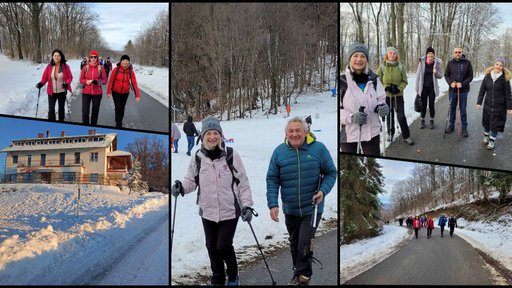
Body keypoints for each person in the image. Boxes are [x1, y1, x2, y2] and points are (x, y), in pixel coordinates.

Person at [171, 116, 253, 286]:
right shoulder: (198, 157)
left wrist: (247, 206)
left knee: (223, 245)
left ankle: (233, 276)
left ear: (221, 135)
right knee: (211, 245)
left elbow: (243, 183)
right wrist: (182, 187)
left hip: (230, 209)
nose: (212, 137)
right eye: (209, 133)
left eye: (216, 133)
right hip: (207, 210)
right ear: (202, 135)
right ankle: (218, 278)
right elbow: (191, 180)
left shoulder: (231, 155)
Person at [266, 117, 337, 286]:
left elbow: (331, 173)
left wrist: (322, 191)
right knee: (294, 243)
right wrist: (273, 204)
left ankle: (304, 276)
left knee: (304, 243)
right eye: (291, 131)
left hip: (312, 208)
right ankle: (297, 272)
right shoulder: (279, 152)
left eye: (298, 130)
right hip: (290, 208)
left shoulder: (318, 149)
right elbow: (272, 179)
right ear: (286, 133)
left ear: (305, 132)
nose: (294, 134)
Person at [340, 43, 389, 156]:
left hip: (372, 132)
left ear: (366, 60)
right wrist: (351, 117)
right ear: (349, 59)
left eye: (363, 56)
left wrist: (382, 107)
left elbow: (381, 99)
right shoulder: (342, 81)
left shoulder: (374, 79)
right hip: (349, 135)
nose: (359, 59)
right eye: (355, 56)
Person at [377, 47, 414, 145]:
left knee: (401, 116)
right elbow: (377, 80)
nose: (392, 55)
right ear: (387, 55)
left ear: (396, 55)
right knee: (389, 115)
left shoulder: (401, 67)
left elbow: (404, 81)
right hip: (387, 96)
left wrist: (398, 88)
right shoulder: (382, 67)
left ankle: (406, 136)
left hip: (398, 95)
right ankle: (390, 133)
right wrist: (385, 87)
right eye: (390, 53)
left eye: (394, 53)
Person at [477, 57, 512, 150]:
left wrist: (509, 107)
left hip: (500, 106)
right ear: (493, 65)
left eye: (501, 65)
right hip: (488, 104)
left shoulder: (505, 79)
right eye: (497, 64)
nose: (498, 66)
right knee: (486, 122)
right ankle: (486, 136)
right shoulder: (487, 77)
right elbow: (482, 91)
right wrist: (479, 102)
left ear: (503, 67)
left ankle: (492, 140)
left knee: (496, 124)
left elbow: (508, 94)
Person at [36, 49, 73, 122]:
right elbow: (45, 78)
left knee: (61, 108)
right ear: (52, 57)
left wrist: (67, 83)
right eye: (55, 55)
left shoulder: (65, 66)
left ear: (61, 57)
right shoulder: (49, 66)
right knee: (51, 109)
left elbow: (70, 77)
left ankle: (61, 121)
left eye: (58, 56)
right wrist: (41, 83)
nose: (56, 57)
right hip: (51, 92)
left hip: (62, 91)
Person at [445, 47, 474, 137]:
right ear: (453, 53)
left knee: (463, 109)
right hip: (453, 90)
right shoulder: (450, 63)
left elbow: (470, 76)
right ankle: (451, 125)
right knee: (452, 108)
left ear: (462, 53)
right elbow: (446, 75)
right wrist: (450, 83)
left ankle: (464, 127)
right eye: (456, 52)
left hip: (463, 90)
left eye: (459, 52)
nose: (458, 53)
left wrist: (462, 83)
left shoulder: (467, 63)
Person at [106, 54, 141, 128]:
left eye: (127, 61)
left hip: (125, 92)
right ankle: (118, 123)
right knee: (118, 107)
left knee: (122, 107)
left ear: (129, 62)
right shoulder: (116, 70)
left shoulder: (131, 72)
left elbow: (134, 83)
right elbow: (111, 81)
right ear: (121, 61)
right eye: (123, 61)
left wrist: (137, 95)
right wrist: (108, 91)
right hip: (116, 91)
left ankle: (120, 119)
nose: (125, 62)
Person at [415, 47, 443, 129]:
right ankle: (422, 120)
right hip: (423, 88)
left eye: (432, 53)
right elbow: (417, 76)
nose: (430, 55)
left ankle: (431, 120)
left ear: (434, 55)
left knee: (431, 105)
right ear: (426, 55)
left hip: (432, 88)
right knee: (423, 105)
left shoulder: (437, 64)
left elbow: (441, 76)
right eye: (429, 53)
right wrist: (417, 89)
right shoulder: (422, 63)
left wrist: (436, 72)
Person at [80, 50, 107, 125]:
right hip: (86, 92)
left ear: (97, 58)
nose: (93, 58)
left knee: (95, 112)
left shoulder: (101, 68)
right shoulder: (85, 67)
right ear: (89, 58)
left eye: (95, 57)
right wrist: (86, 81)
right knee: (85, 112)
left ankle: (93, 126)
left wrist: (98, 82)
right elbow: (81, 79)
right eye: (91, 57)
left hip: (97, 93)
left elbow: (105, 81)